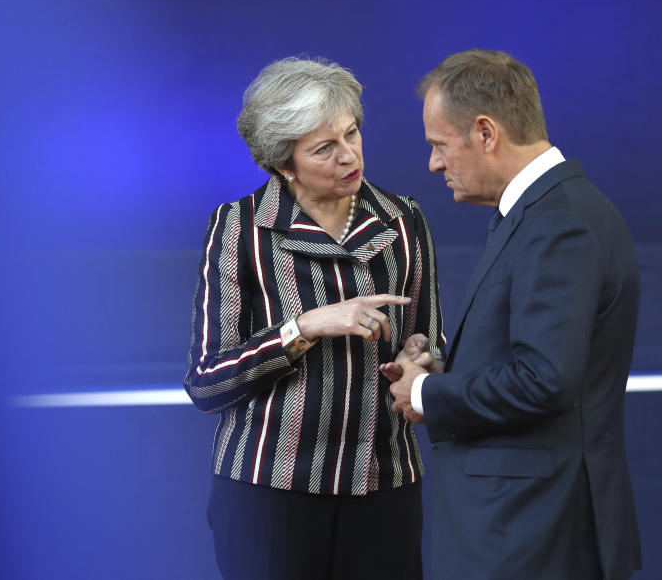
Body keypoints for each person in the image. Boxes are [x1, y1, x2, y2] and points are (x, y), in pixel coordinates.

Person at [383, 49, 642, 579]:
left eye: (439, 145)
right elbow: (537, 355)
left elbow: (544, 379)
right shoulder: (548, 212)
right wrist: (445, 369)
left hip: (527, 535)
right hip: (526, 528)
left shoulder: (558, 225)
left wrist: (425, 394)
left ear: (485, 132)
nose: (434, 164)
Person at [184, 56, 445, 580]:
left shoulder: (403, 217)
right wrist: (301, 328)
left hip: (384, 485)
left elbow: (429, 337)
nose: (349, 156)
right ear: (284, 164)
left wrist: (421, 359)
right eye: (324, 148)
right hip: (267, 492)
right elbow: (207, 382)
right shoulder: (239, 229)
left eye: (351, 134)